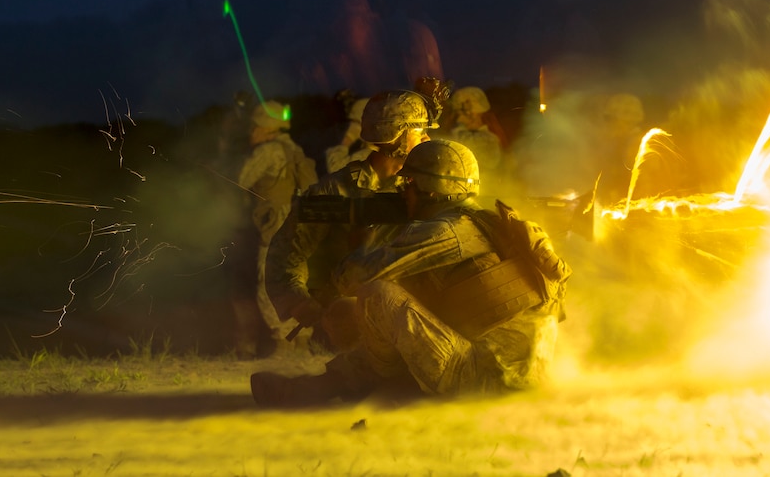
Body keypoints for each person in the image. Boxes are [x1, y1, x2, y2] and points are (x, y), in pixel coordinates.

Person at [251, 139, 573, 406]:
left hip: (483, 378)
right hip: (522, 374)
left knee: (376, 297)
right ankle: (325, 386)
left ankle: (327, 389)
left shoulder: (446, 230)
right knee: (381, 306)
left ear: (429, 189)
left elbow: (357, 276)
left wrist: (372, 236)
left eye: (409, 184)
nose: (403, 192)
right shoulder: (490, 223)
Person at [264, 89, 437, 352]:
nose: (427, 138)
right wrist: (299, 302)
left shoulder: (425, 187)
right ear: (394, 135)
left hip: (416, 315)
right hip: (356, 318)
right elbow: (286, 253)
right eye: (420, 131)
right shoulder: (336, 190)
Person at [232, 100, 318, 357]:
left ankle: (283, 343)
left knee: (268, 283)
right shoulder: (294, 149)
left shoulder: (268, 151)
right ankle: (302, 341)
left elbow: (241, 180)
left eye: (255, 126)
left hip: (277, 224)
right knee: (296, 281)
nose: (252, 132)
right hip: (300, 226)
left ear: (265, 128)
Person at [324, 97, 371, 174]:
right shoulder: (373, 151)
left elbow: (335, 168)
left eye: (354, 123)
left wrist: (348, 139)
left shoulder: (367, 155)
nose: (349, 127)